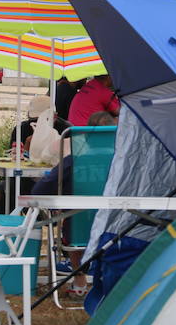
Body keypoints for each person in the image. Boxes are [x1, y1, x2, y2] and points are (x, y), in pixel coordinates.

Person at [32, 110, 117, 297]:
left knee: (73, 217)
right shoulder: (123, 164)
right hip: (115, 232)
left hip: (78, 233)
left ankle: (79, 281)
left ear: (86, 135)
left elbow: (39, 191)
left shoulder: (74, 161)